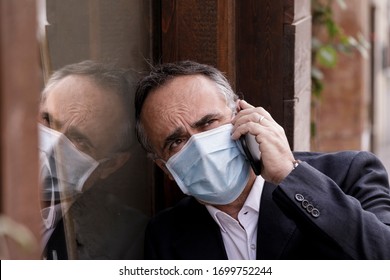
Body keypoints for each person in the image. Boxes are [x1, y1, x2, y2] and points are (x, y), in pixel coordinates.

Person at [135, 60, 390, 260]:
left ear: (242, 115)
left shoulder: (350, 173)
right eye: (176, 141)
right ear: (165, 167)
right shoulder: (165, 236)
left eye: (208, 123)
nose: (199, 146)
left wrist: (290, 176)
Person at [38, 60, 148, 259]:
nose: (51, 145)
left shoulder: (126, 239)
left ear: (112, 164)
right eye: (47, 120)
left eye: (79, 139)